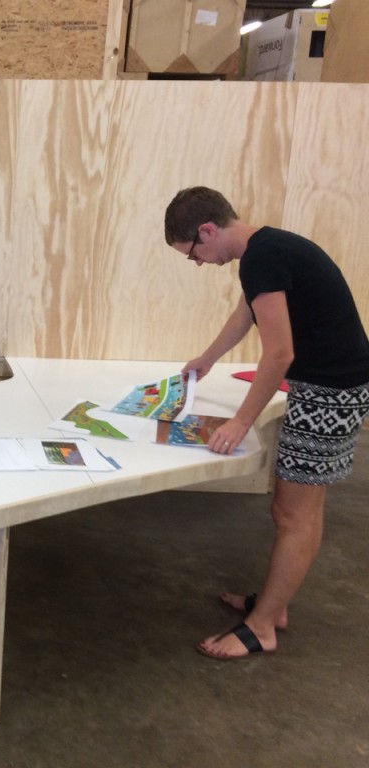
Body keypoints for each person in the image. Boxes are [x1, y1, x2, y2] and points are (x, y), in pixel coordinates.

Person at [164, 186, 369, 660]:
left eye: (192, 252)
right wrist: (208, 359)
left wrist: (240, 421)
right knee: (289, 511)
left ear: (208, 230)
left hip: (329, 392)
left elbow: (279, 353)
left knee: (297, 515)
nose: (196, 262)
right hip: (333, 385)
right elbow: (247, 315)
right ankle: (273, 606)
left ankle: (262, 627)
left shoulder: (263, 258)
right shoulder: (268, 249)